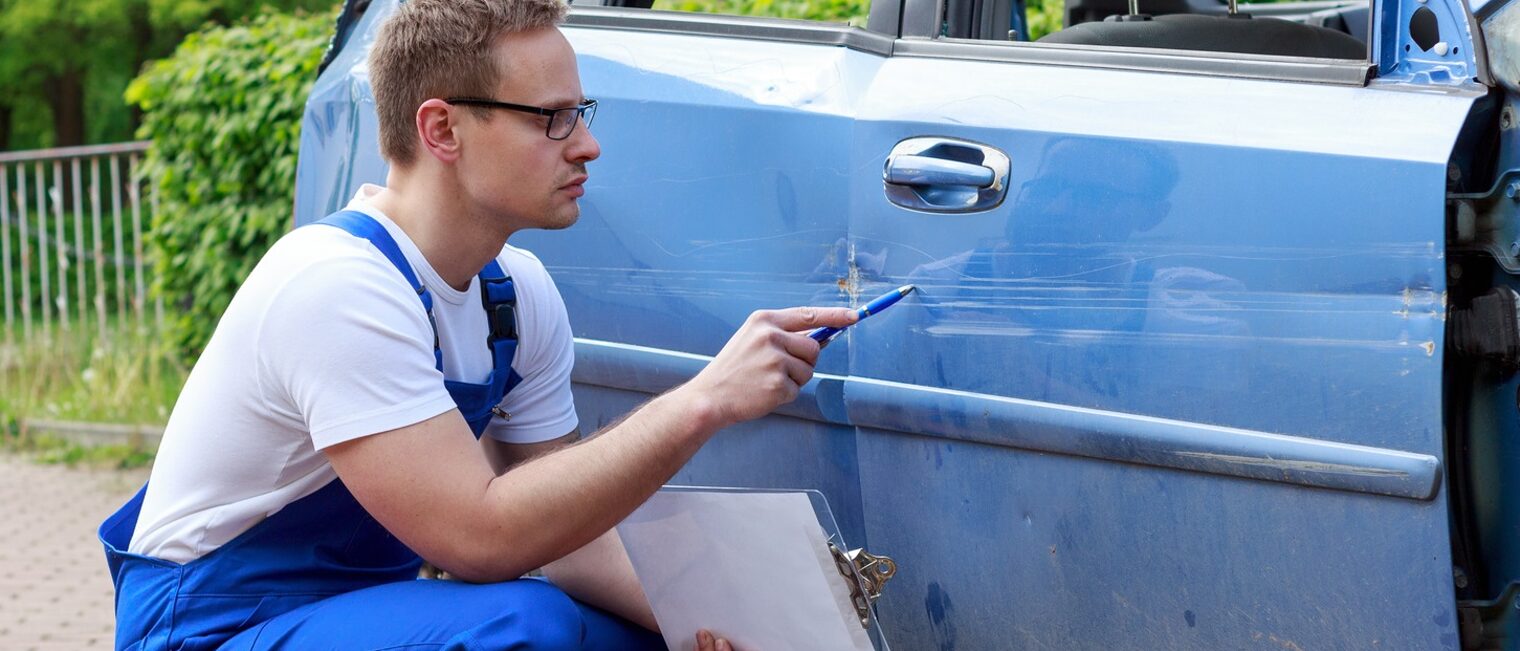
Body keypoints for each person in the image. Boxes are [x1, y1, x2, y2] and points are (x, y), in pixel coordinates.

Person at [97, 0, 856, 648]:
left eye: (580, 115)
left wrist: (702, 621)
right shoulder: (337, 285)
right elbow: (483, 538)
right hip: (211, 626)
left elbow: (567, 539)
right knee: (525, 628)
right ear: (442, 130)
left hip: (350, 613)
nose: (587, 145)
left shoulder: (515, 297)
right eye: (553, 119)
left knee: (620, 632)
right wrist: (704, 401)